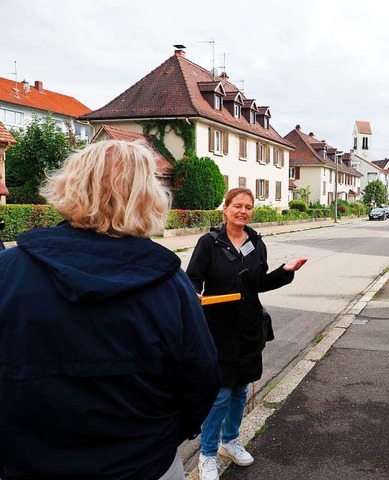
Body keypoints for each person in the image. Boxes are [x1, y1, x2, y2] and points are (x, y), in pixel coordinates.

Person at [0, 140, 221, 479]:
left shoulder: (8, 270)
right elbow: (201, 380)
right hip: (142, 465)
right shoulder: (170, 286)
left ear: (69, 185)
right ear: (148, 197)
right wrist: (160, 439)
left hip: (26, 464)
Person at [186, 187, 307, 480]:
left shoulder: (256, 242)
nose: (243, 211)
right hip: (218, 328)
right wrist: (195, 297)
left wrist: (285, 271)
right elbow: (191, 279)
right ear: (225, 209)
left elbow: (259, 283)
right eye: (237, 205)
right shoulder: (209, 243)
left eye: (248, 207)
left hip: (250, 327)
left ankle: (231, 441)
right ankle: (208, 453)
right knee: (221, 392)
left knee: (240, 390)